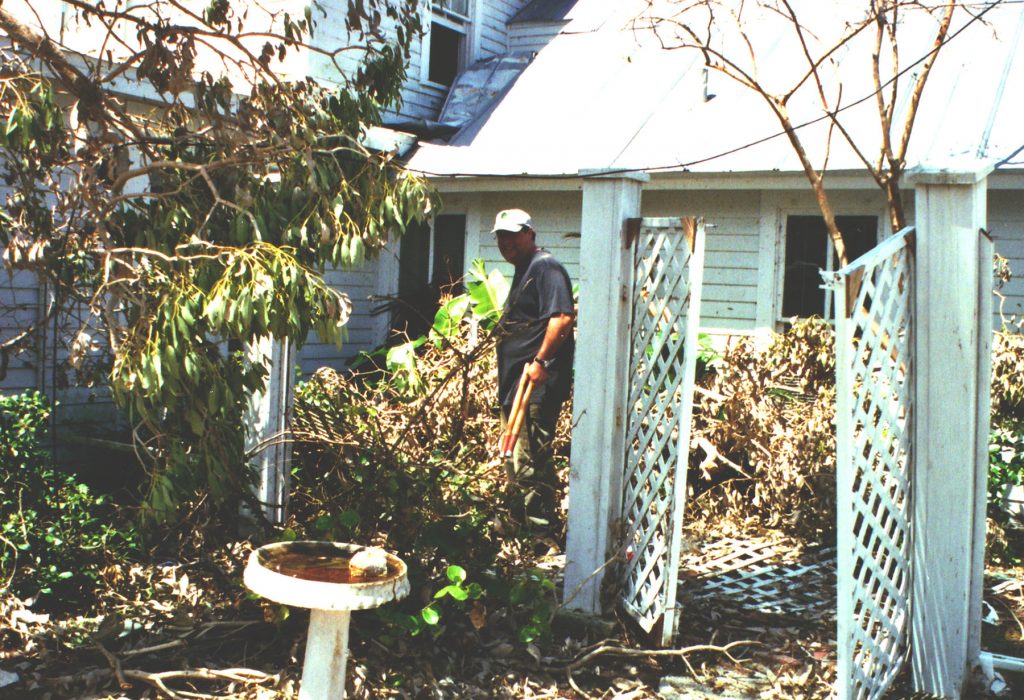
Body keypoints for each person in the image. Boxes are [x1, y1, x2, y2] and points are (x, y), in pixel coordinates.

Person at [492, 208, 575, 534]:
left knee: (529, 462)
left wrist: (541, 362)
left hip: (535, 384)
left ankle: (540, 533)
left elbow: (563, 318)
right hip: (516, 384)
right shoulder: (525, 268)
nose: (505, 242)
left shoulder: (546, 267)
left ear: (530, 233)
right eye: (500, 236)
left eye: (512, 234)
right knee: (514, 458)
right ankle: (518, 525)